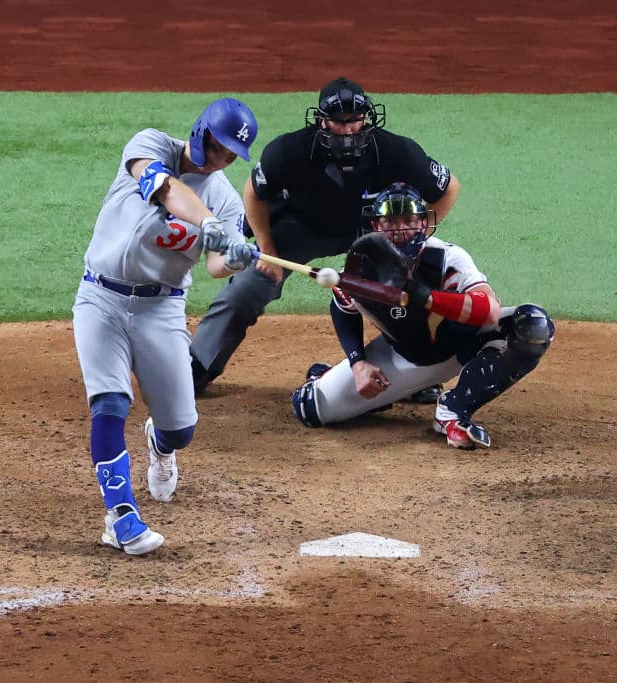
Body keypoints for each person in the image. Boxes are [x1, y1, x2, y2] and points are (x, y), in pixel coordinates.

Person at [190, 77, 461, 403]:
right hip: (302, 227)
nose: (347, 129)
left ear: (368, 118)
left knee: (406, 287)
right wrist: (267, 247)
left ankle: (411, 371)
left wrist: (410, 241)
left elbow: (449, 188)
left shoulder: (395, 151)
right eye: (338, 121)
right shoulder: (291, 150)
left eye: (355, 120)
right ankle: (198, 367)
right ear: (321, 120)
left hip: (372, 232)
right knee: (250, 285)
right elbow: (253, 192)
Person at [72, 98, 261, 555]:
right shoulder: (149, 144)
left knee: (181, 430)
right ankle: (120, 516)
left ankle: (160, 443)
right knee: (110, 402)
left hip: (161, 311)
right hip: (101, 298)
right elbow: (163, 187)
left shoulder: (227, 201)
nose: (220, 159)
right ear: (201, 131)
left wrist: (234, 256)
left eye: (230, 154)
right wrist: (208, 222)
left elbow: (216, 264)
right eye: (217, 146)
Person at [290, 182, 554, 449]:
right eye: (390, 221)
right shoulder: (363, 268)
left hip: (465, 345)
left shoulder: (448, 258)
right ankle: (346, 381)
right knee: (308, 407)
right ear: (377, 226)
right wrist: (357, 363)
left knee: (533, 326)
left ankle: (453, 410)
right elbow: (342, 308)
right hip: (404, 359)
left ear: (422, 224)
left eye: (409, 220)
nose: (400, 229)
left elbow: (489, 310)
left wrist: (427, 297)